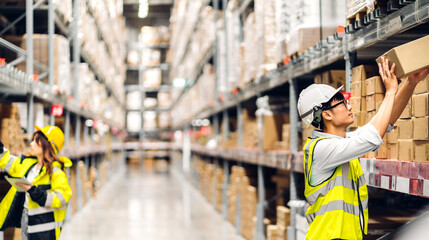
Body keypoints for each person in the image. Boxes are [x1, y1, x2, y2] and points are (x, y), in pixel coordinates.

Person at [297, 57, 429, 240]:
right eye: (342, 103)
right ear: (326, 114)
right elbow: (372, 137)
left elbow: (383, 124)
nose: (349, 105)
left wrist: (411, 83)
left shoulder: (340, 143)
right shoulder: (321, 149)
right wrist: (390, 91)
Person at [0, 125, 72, 240]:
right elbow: (9, 162)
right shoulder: (29, 166)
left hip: (43, 229)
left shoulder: (56, 172)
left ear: (47, 145)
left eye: (36, 141)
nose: (32, 144)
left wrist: (34, 191)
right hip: (26, 221)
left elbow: (62, 198)